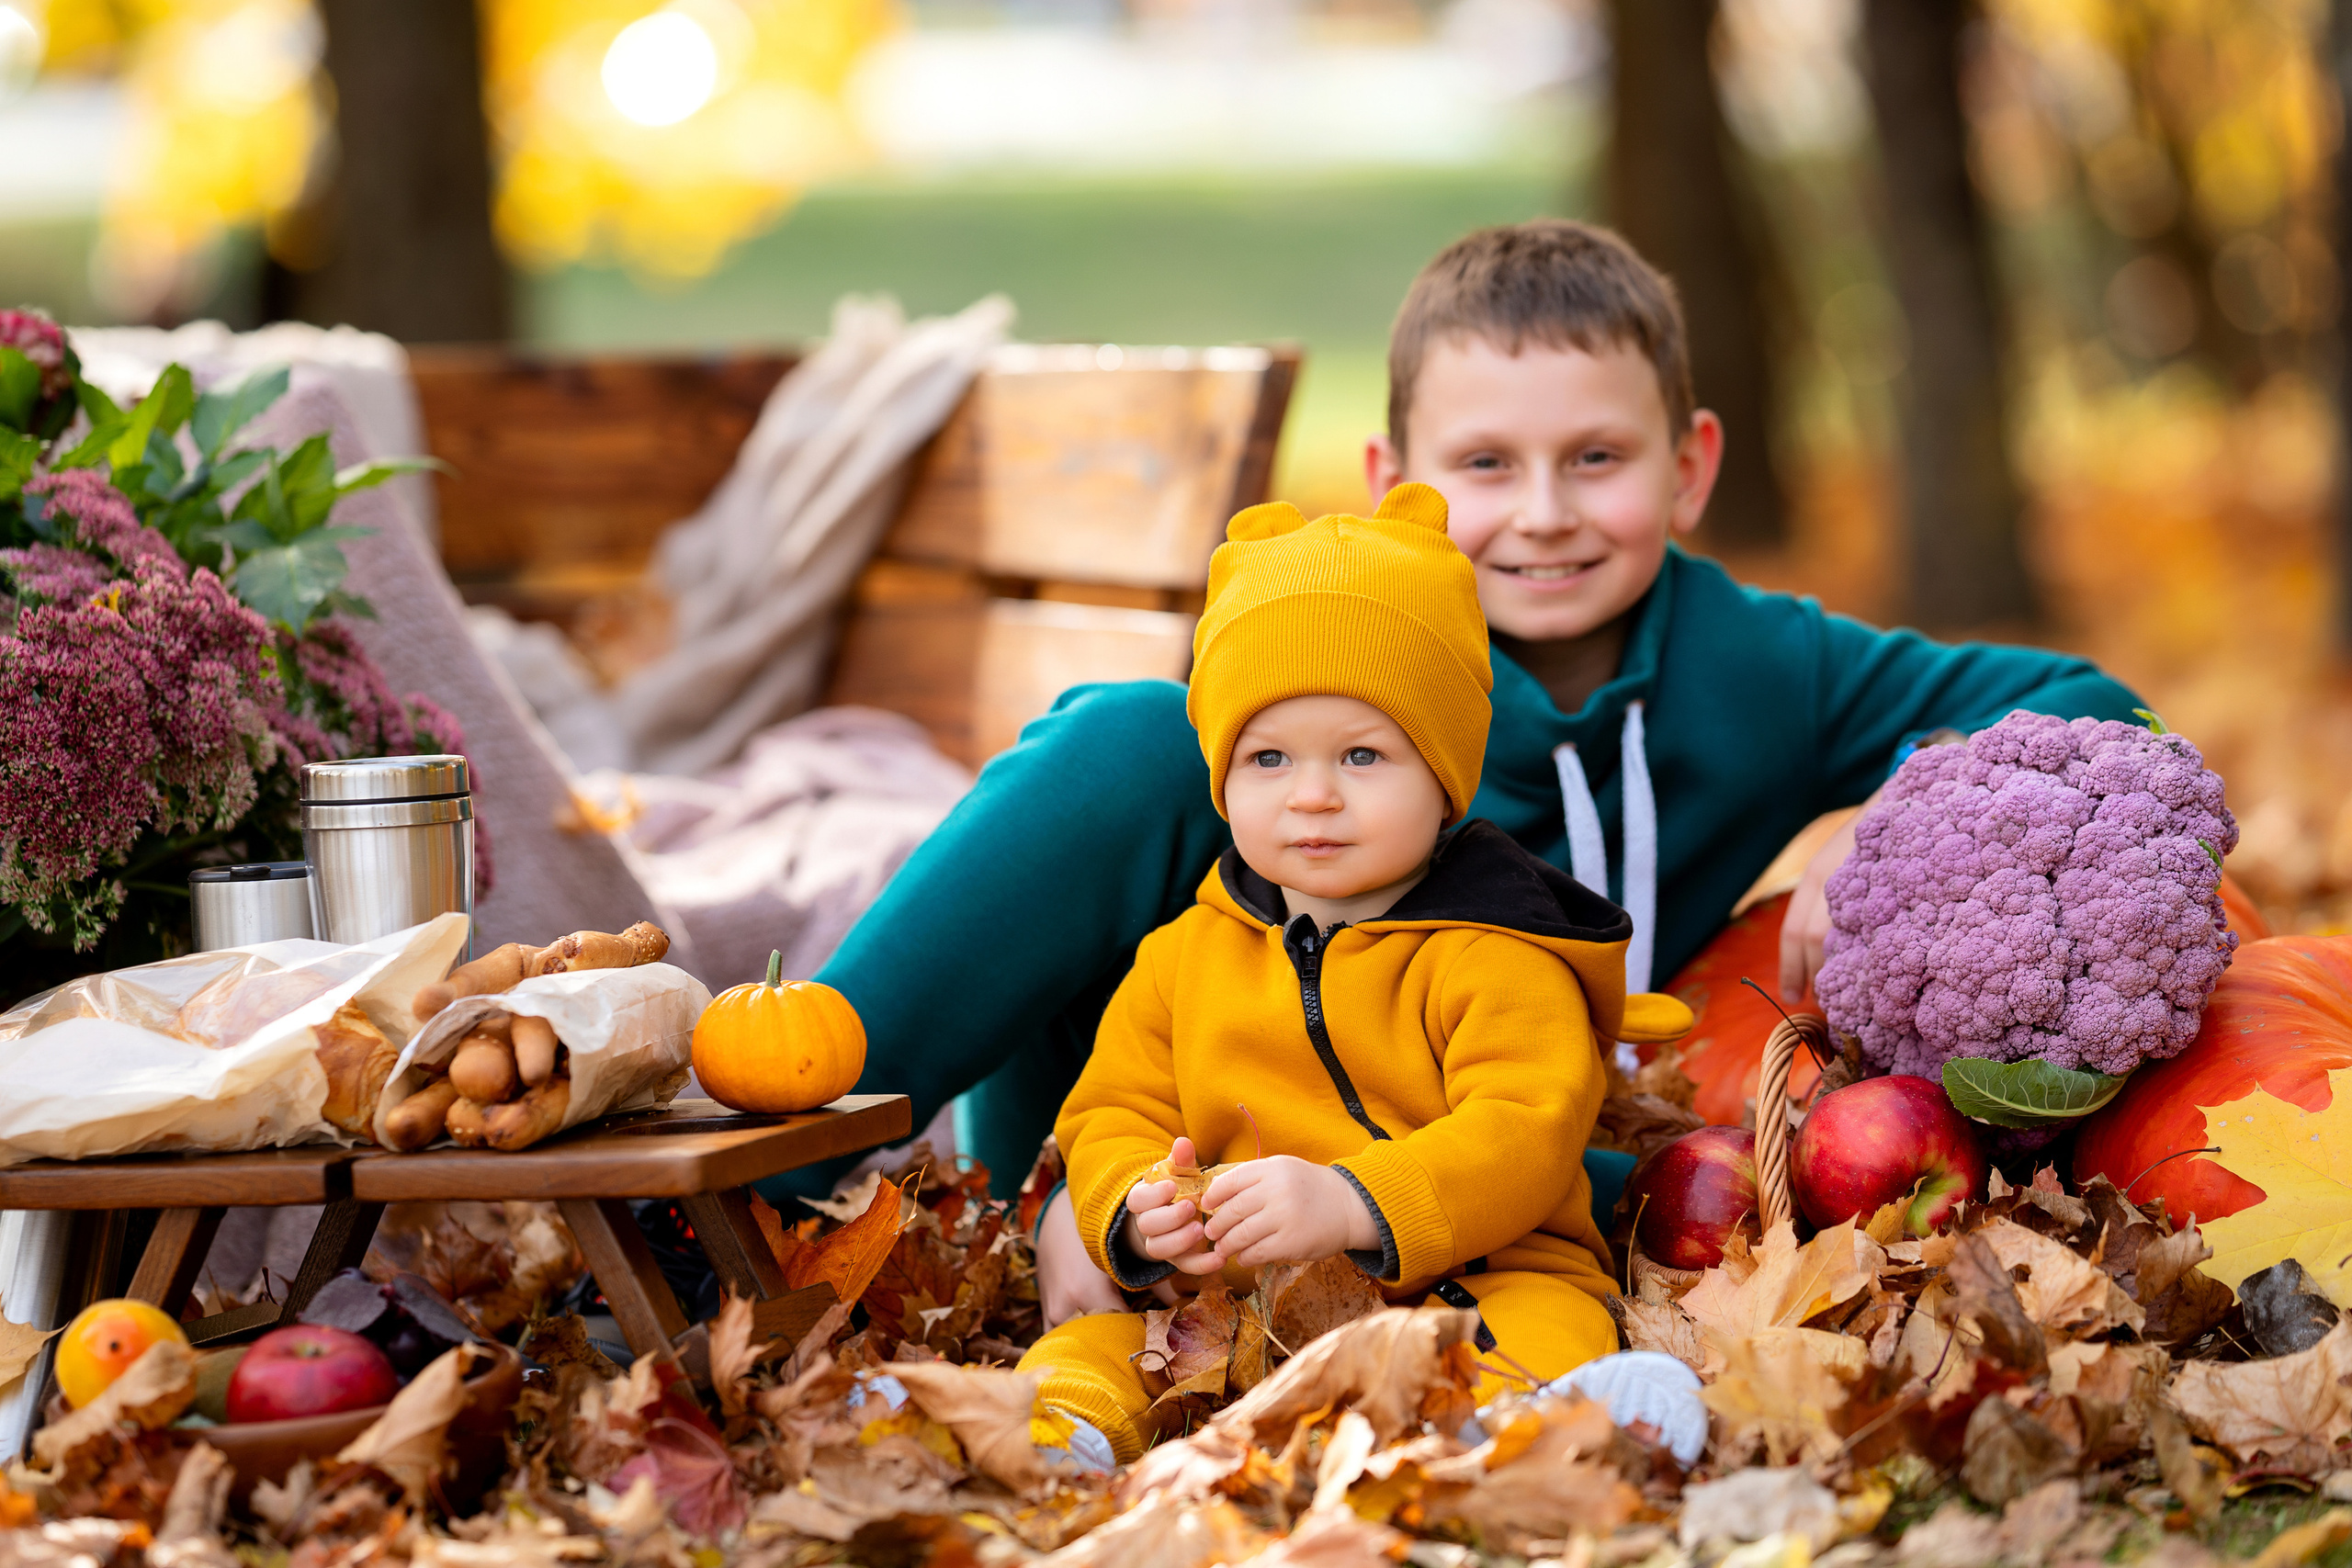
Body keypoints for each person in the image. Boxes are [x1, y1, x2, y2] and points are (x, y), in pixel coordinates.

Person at [766, 219, 2140, 1326]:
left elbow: (2089, 703)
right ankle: (758, 1174)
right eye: (1485, 464)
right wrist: (1095, 1187)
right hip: (1183, 1144)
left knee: (1684, 1179)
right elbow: (1139, 932)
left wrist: (1905, 814)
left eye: (1596, 458)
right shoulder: (1339, 661)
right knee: (1130, 736)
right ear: (1394, 480)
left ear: (1690, 465)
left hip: (1507, 1165)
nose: (1543, 513)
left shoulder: (1762, 666)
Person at [1014, 483, 1702, 1467]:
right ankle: (1055, 1430)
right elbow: (1110, 1107)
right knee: (1104, 1346)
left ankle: (1561, 1425)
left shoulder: (1493, 947)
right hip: (1237, 1306)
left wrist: (1354, 1202)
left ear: (1444, 771)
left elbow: (1527, 1125)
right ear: (1221, 773)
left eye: (1364, 754)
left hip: (1471, 1278)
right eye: (1267, 758)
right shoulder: (1182, 957)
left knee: (1537, 1326)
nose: (1312, 795)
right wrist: (1131, 1204)